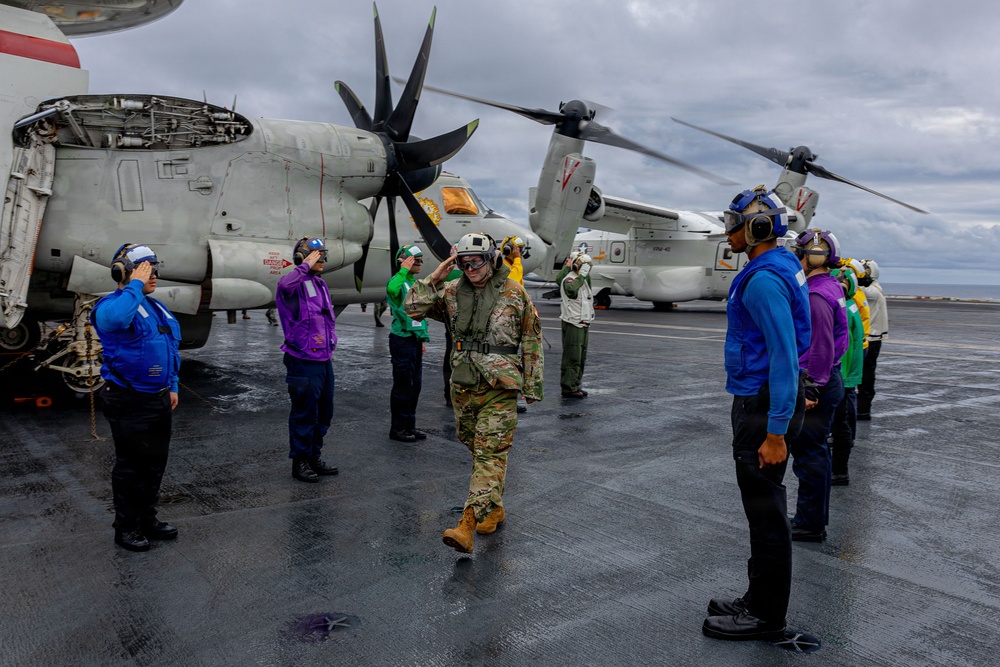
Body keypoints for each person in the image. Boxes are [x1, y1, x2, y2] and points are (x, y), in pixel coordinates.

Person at [703, 186, 810, 642]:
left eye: (734, 223)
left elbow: (784, 354)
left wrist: (777, 431)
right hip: (768, 397)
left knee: (766, 513)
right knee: (762, 511)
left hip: (762, 405)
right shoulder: (781, 264)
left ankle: (766, 616)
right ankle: (756, 598)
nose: (727, 231)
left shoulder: (764, 279)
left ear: (759, 228)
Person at [405, 232, 543, 554]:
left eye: (476, 261)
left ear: (492, 259)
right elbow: (412, 308)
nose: (470, 268)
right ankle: (492, 508)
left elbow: (531, 339)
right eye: (464, 262)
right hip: (464, 385)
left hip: (500, 385)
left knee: (490, 453)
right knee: (475, 445)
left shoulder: (515, 293)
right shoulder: (452, 292)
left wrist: (532, 384)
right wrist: (437, 275)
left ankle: (467, 523)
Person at [91, 243, 181, 552]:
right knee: (132, 466)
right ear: (123, 273)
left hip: (156, 398)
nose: (153, 275)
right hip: (128, 398)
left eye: (154, 269)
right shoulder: (111, 305)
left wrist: (172, 385)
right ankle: (126, 527)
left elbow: (169, 347)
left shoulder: (156, 307)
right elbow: (115, 322)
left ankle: (147, 519)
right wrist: (134, 286)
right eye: (145, 269)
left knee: (155, 463)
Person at [786, 228, 848, 543]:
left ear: (816, 255)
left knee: (809, 454)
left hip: (818, 383)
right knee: (818, 452)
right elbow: (841, 341)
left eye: (801, 251)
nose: (797, 257)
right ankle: (811, 517)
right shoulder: (832, 286)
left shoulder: (815, 295)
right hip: (830, 379)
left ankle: (809, 523)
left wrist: (810, 389)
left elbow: (820, 347)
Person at [276, 237, 339, 483]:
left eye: (324, 255)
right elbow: (285, 284)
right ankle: (299, 461)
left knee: (324, 412)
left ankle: (313, 456)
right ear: (303, 258)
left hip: (323, 359)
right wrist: (303, 265)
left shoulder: (319, 284)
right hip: (302, 360)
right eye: (317, 256)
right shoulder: (292, 284)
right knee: (304, 413)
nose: (322, 260)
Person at [386, 245, 429, 443]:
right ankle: (398, 428)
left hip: (413, 339)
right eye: (416, 260)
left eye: (421, 260)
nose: (419, 264)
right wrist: (403, 268)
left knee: (415, 386)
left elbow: (418, 313)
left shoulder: (415, 283)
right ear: (405, 260)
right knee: (403, 385)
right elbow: (391, 288)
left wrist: (421, 338)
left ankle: (409, 425)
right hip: (401, 340)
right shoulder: (399, 281)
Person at [829, 268, 865, 486]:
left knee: (839, 421)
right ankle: (840, 470)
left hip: (843, 371)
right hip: (849, 371)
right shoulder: (850, 304)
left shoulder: (843, 307)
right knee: (844, 420)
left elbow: (843, 344)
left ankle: (838, 471)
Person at [558, 252, 595, 398]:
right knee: (572, 356)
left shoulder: (583, 280)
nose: (587, 269)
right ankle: (568, 387)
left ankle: (575, 384)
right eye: (584, 266)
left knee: (581, 356)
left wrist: (584, 276)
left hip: (583, 322)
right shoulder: (570, 280)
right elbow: (572, 291)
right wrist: (581, 275)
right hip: (573, 322)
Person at [502, 235, 530, 412]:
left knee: (513, 360)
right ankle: (505, 397)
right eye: (515, 250)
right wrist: (518, 260)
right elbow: (513, 281)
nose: (518, 253)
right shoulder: (503, 265)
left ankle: (511, 396)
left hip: (514, 317)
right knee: (505, 361)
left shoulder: (513, 265)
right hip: (504, 319)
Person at [857, 259, 887, 420]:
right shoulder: (876, 289)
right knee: (866, 375)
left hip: (870, 339)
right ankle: (862, 408)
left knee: (865, 376)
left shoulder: (871, 291)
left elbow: (855, 287)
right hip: (873, 338)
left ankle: (862, 410)